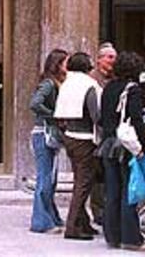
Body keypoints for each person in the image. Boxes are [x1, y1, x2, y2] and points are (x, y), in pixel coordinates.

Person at [99, 51, 145, 251]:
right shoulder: (133, 89)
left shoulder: (109, 87)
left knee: (112, 191)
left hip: (108, 144)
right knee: (129, 190)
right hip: (126, 146)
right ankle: (130, 238)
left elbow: (102, 118)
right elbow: (137, 120)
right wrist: (143, 146)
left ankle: (112, 236)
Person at [54, 51, 101, 241]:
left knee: (80, 180)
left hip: (70, 136)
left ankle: (84, 222)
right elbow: (96, 115)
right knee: (83, 183)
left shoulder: (67, 83)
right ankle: (72, 226)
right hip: (85, 137)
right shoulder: (89, 85)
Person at [29, 48, 69, 234]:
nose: (68, 66)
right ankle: (41, 222)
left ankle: (51, 217)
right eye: (65, 62)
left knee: (50, 179)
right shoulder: (49, 84)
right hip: (42, 134)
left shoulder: (56, 83)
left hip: (46, 133)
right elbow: (35, 103)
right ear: (58, 64)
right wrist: (53, 115)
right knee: (45, 179)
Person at [89, 42, 118, 225]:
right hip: (97, 133)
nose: (113, 61)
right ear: (99, 59)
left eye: (114, 57)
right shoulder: (92, 79)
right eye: (109, 57)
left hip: (112, 133)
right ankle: (98, 211)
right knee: (97, 174)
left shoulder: (114, 78)